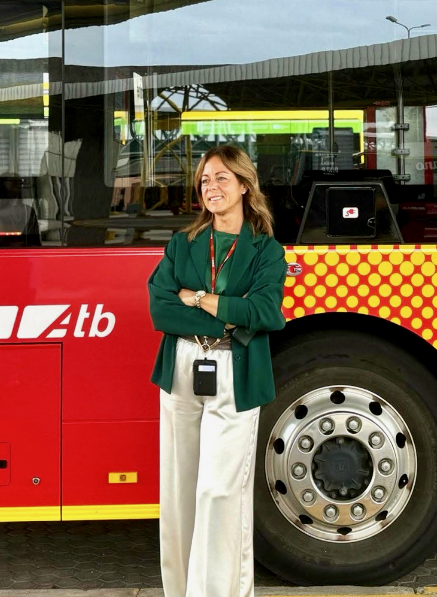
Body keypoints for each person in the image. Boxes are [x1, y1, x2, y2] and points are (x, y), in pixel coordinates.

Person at [147, 144, 287, 597]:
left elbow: (266, 313)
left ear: (244, 186)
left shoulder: (267, 250)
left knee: (218, 492)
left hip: (234, 370)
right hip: (183, 367)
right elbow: (161, 310)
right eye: (205, 180)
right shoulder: (182, 243)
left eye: (222, 178)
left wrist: (200, 297)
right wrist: (231, 310)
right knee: (180, 491)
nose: (211, 187)